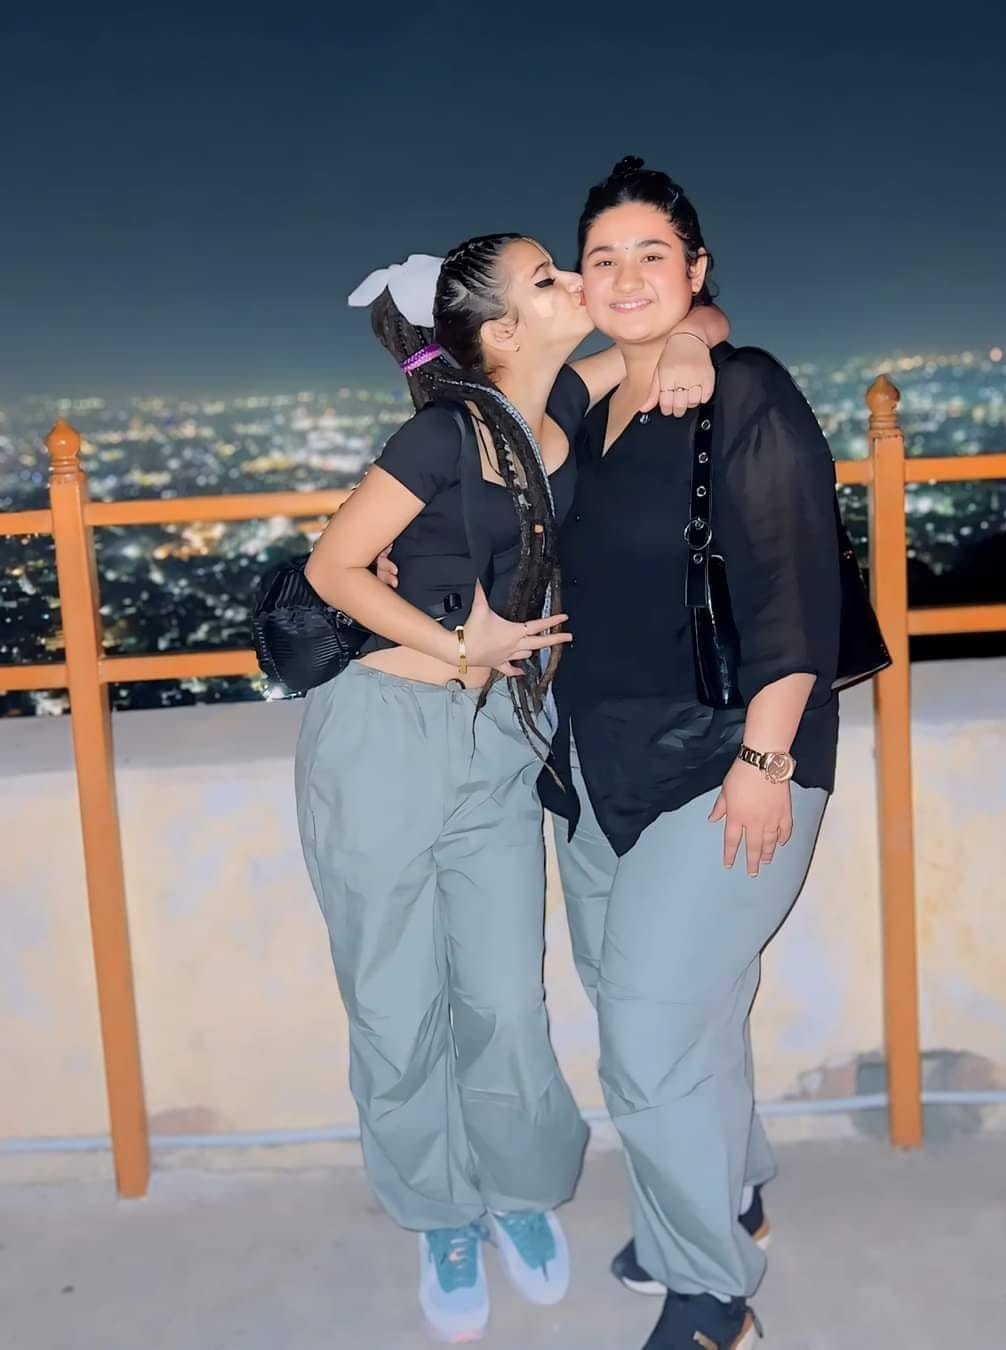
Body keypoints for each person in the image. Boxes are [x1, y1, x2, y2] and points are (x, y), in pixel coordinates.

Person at [295, 234, 727, 1343]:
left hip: (497, 741)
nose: (577, 284)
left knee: (502, 996)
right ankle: (441, 1214)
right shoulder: (441, 432)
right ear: (501, 330)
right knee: (396, 1006)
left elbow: (698, 319)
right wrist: (458, 642)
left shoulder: (558, 410)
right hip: (383, 738)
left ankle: (519, 1189)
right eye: (549, 280)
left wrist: (684, 342)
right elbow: (333, 568)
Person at [542, 159, 843, 1350]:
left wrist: (766, 763)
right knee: (678, 1010)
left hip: (730, 754)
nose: (627, 277)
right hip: (596, 762)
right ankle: (731, 1191)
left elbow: (796, 591)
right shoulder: (583, 407)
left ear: (697, 267)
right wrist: (673, 336)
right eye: (602, 259)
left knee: (650, 1032)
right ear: (577, 281)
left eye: (653, 256)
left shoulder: (744, 390)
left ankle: (711, 1292)